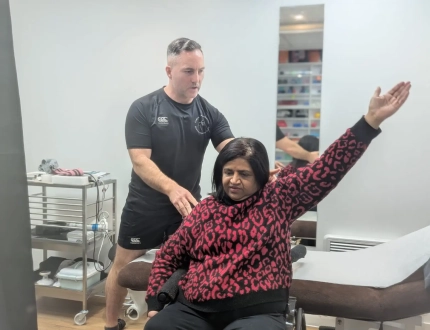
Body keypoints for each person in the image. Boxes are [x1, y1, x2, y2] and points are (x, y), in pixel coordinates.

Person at [143, 81, 411, 330]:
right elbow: (169, 255)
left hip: (254, 311)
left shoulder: (278, 198)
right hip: (195, 309)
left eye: (244, 174)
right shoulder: (205, 209)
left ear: (260, 175)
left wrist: (370, 122)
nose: (234, 181)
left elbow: (329, 167)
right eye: (228, 172)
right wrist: (155, 301)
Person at [104, 38, 235, 330]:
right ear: (169, 70)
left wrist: (257, 166)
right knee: (122, 267)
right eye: (189, 71)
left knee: (187, 270)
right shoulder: (143, 108)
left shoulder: (209, 113)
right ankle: (111, 324)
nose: (197, 79)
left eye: (201, 71)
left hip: (187, 208)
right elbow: (140, 160)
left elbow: (231, 150)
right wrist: (171, 188)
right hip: (145, 208)